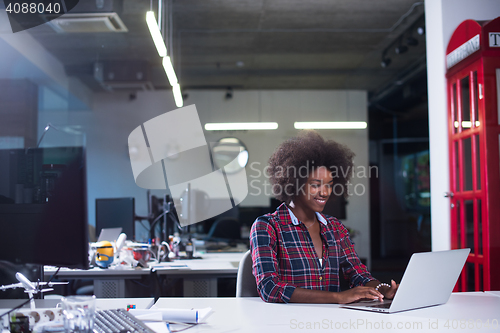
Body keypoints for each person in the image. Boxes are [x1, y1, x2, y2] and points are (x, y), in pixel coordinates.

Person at [250, 130, 398, 303]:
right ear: (294, 183)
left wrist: (383, 289)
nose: (325, 192)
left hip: (330, 322)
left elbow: (358, 273)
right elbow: (269, 287)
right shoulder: (267, 227)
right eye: (315, 185)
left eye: (329, 185)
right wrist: (337, 297)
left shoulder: (335, 227)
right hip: (286, 322)